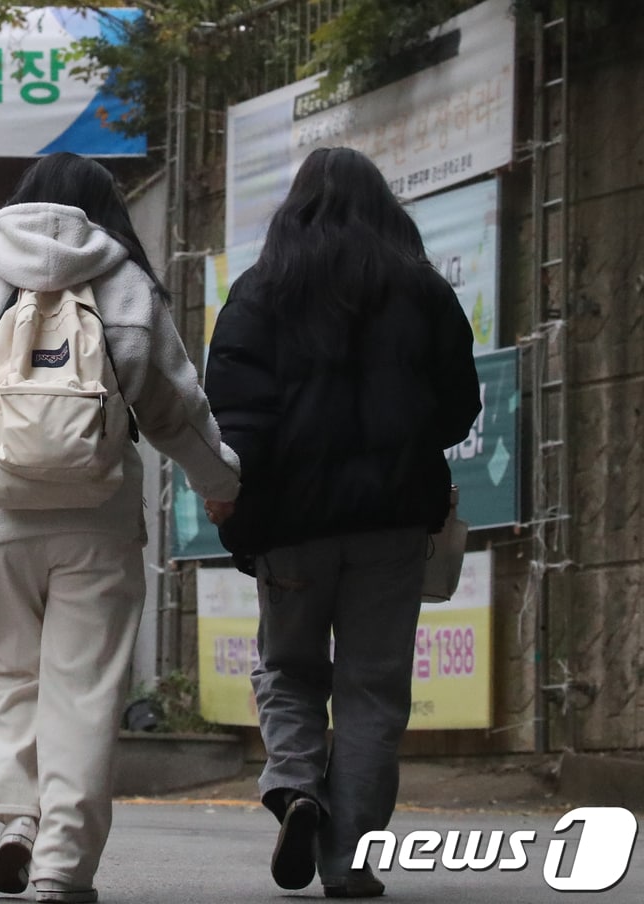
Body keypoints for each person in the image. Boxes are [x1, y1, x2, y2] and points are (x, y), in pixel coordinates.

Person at [0, 152, 242, 904]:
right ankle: (63, 863)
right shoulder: (124, 280)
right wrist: (220, 485)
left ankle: (16, 822)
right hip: (94, 521)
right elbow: (175, 410)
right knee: (82, 692)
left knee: (8, 675)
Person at [203, 146, 482, 899]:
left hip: (289, 525)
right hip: (393, 525)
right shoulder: (422, 291)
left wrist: (234, 494)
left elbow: (234, 415)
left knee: (290, 669)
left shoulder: (261, 291)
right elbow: (461, 408)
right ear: (385, 207)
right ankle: (349, 857)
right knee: (373, 690)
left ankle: (297, 787)